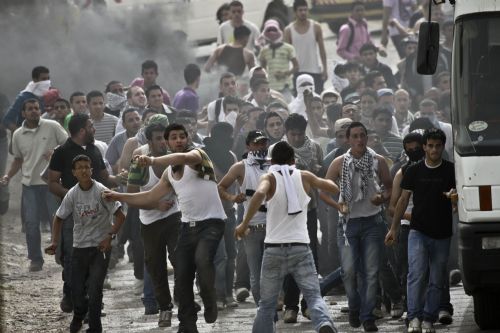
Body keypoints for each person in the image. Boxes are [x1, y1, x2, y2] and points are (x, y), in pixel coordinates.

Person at [103, 123, 226, 333]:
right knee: (183, 276)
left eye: (181, 136)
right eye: (173, 137)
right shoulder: (169, 173)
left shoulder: (197, 155)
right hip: (188, 226)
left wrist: (151, 160)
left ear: (186, 139)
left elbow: (183, 158)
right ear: (167, 143)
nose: (178, 140)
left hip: (211, 223)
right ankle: (188, 325)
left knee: (203, 260)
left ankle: (209, 296)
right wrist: (118, 196)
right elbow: (149, 196)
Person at [234, 141, 339, 333]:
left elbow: (258, 194)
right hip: (301, 247)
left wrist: (244, 223)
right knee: (313, 295)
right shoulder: (304, 176)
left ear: (271, 160)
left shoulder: (269, 177)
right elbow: (331, 187)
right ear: (293, 159)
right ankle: (323, 323)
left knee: (266, 304)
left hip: (274, 248)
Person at [385, 128, 456, 333]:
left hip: (442, 232)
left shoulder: (451, 170)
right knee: (415, 274)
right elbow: (402, 201)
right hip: (418, 231)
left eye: (438, 146)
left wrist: (454, 197)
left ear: (443, 147)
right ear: (425, 147)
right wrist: (394, 229)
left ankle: (428, 319)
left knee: (436, 279)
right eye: (430, 146)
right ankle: (414, 317)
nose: (434, 150)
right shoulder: (413, 170)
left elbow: (458, 198)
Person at [45, 155, 125, 333]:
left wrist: (109, 237)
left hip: (100, 248)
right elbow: (58, 217)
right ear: (74, 173)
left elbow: (120, 215)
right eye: (79, 167)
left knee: (96, 288)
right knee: (77, 289)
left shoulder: (102, 191)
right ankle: (79, 315)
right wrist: (55, 242)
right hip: (79, 247)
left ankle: (95, 327)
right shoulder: (72, 194)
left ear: (91, 170)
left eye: (86, 167)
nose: (83, 170)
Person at [325, 121, 392, 332]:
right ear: (347, 139)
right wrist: (339, 205)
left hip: (373, 222)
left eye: (362, 135)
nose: (360, 140)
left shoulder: (378, 161)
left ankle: (367, 316)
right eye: (354, 136)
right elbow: (322, 191)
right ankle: (354, 306)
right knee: (349, 271)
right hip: (347, 224)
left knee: (371, 272)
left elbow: (389, 188)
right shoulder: (338, 163)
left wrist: (381, 198)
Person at [47, 113, 115, 314]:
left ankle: (93, 302)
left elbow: (104, 178)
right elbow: (52, 183)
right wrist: (74, 197)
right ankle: (71, 294)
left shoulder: (94, 150)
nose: (94, 129)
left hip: (96, 216)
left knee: (95, 257)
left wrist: (122, 178)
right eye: (91, 126)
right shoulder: (61, 152)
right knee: (72, 258)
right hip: (71, 216)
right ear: (82, 130)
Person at [1, 98, 67, 272]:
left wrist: (55, 151)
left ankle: (62, 253)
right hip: (29, 184)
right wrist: (7, 176)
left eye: (37, 108)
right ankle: (36, 259)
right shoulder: (17, 135)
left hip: (50, 183)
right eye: (30, 109)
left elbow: (67, 144)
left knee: (57, 219)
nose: (34, 111)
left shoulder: (52, 126)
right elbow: (17, 160)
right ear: (23, 113)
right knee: (31, 223)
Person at [218, 130, 270, 306]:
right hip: (252, 227)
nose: (261, 146)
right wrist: (234, 198)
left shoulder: (273, 164)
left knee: (273, 272)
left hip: (274, 226)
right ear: (248, 146)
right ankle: (262, 309)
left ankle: (272, 307)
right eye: (256, 143)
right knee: (255, 273)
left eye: (263, 143)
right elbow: (221, 187)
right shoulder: (240, 167)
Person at [284, 0, 328, 94]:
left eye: (305, 10)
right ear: (295, 12)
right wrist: (287, 73)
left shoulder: (316, 27)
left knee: (317, 100)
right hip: (297, 72)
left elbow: (322, 50)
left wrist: (325, 69)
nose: (303, 12)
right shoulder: (288, 30)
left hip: (315, 71)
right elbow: (286, 55)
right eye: (300, 10)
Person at [259, 19, 299, 99]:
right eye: (269, 30)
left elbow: (296, 67)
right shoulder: (264, 50)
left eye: (274, 30)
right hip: (270, 87)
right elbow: (262, 70)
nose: (271, 33)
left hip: (286, 86)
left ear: (279, 31)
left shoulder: (288, 48)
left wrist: (284, 74)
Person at [2, 66, 50, 131]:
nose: (47, 82)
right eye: (44, 79)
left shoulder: (48, 95)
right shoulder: (23, 97)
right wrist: (21, 135)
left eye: (48, 78)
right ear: (35, 79)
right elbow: (7, 120)